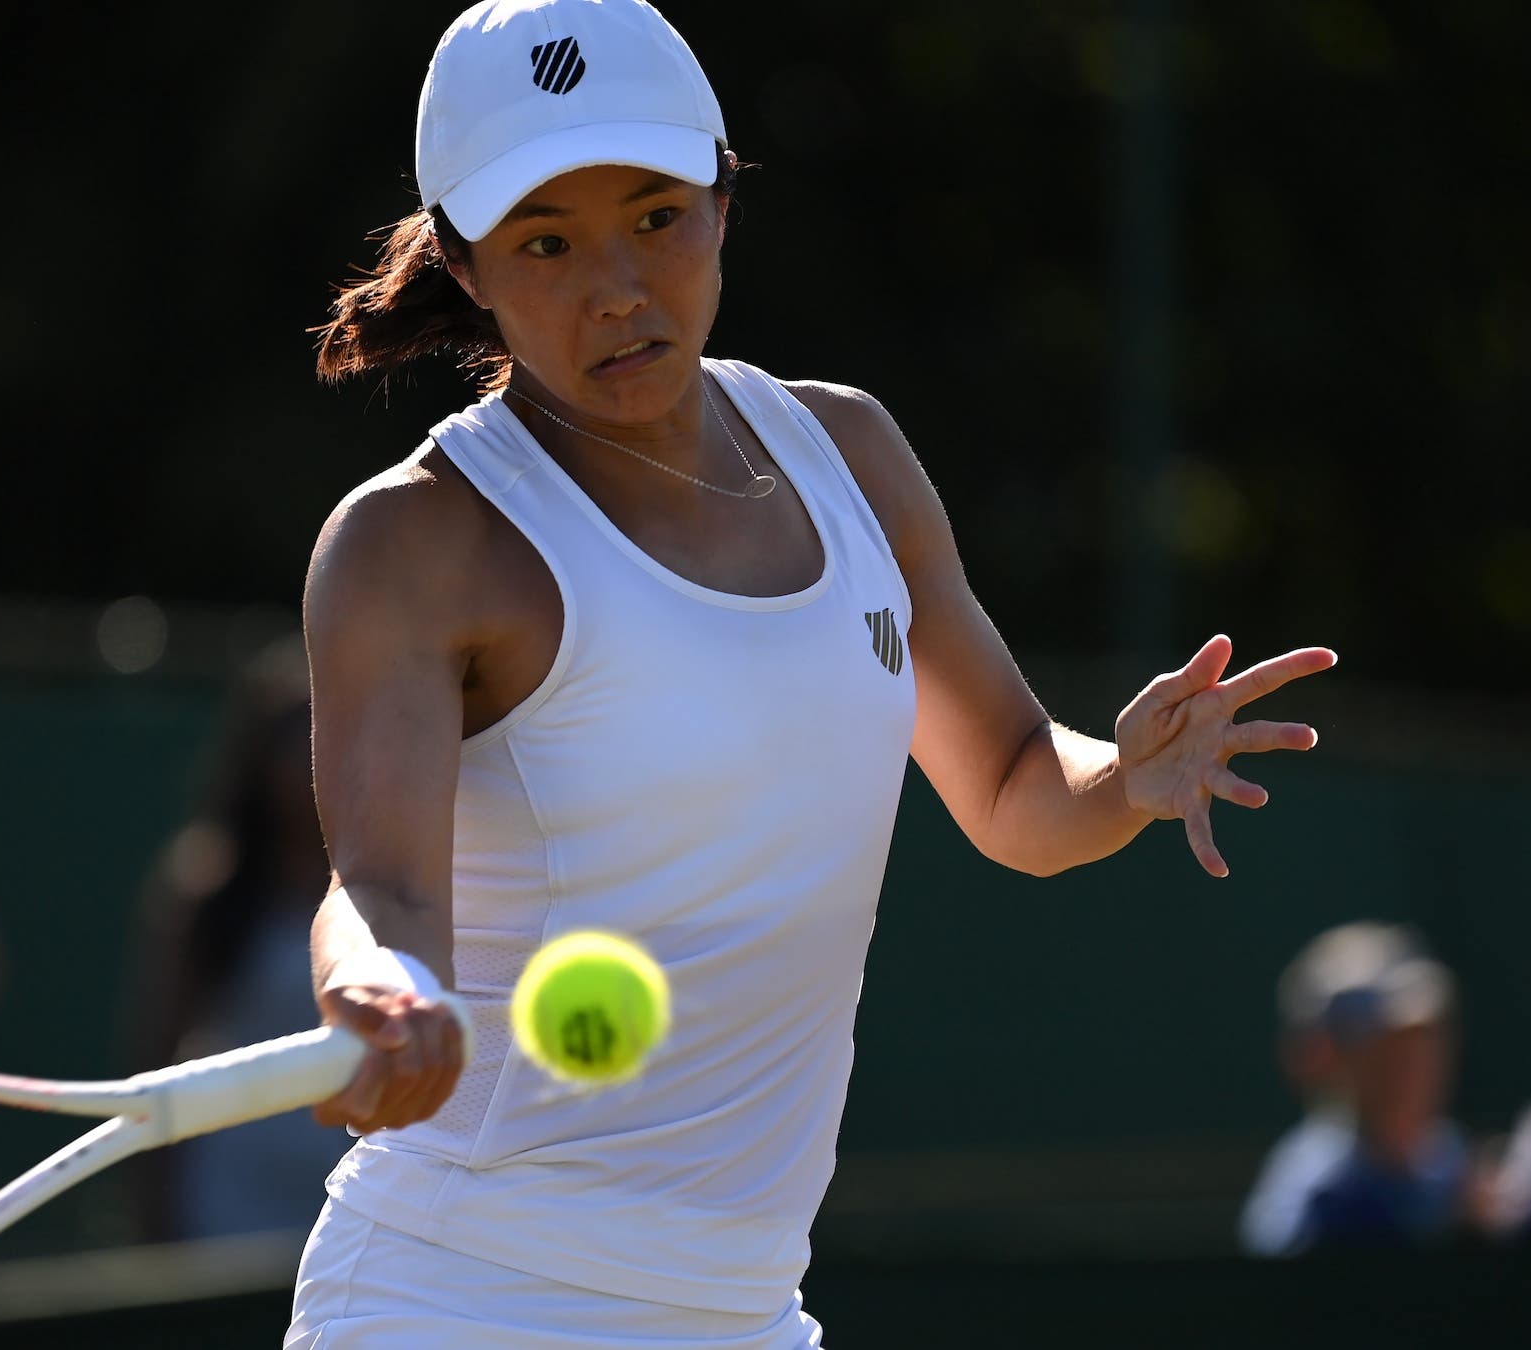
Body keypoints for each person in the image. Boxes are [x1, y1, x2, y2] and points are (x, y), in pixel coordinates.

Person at [287, 2, 1336, 1344]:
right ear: (468, 266)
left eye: (656, 215)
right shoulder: (410, 543)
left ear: (724, 201)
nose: (616, 285)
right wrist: (377, 990)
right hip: (457, 1298)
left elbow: (1017, 786)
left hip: (744, 1311)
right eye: (547, 242)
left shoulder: (853, 453)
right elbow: (378, 892)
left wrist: (1124, 774)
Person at [122, 637, 351, 1240]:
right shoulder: (206, 886)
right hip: (228, 1198)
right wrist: (150, 1203)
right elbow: (155, 1050)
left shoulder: (396, 884)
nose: (306, 758)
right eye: (289, 737)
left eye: (322, 732)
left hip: (352, 1194)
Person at [1240, 922, 1473, 1256]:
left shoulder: (1450, 1160)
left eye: (1420, 1044)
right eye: (1381, 1050)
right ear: (1322, 1057)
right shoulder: (1314, 1194)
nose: (1410, 1069)